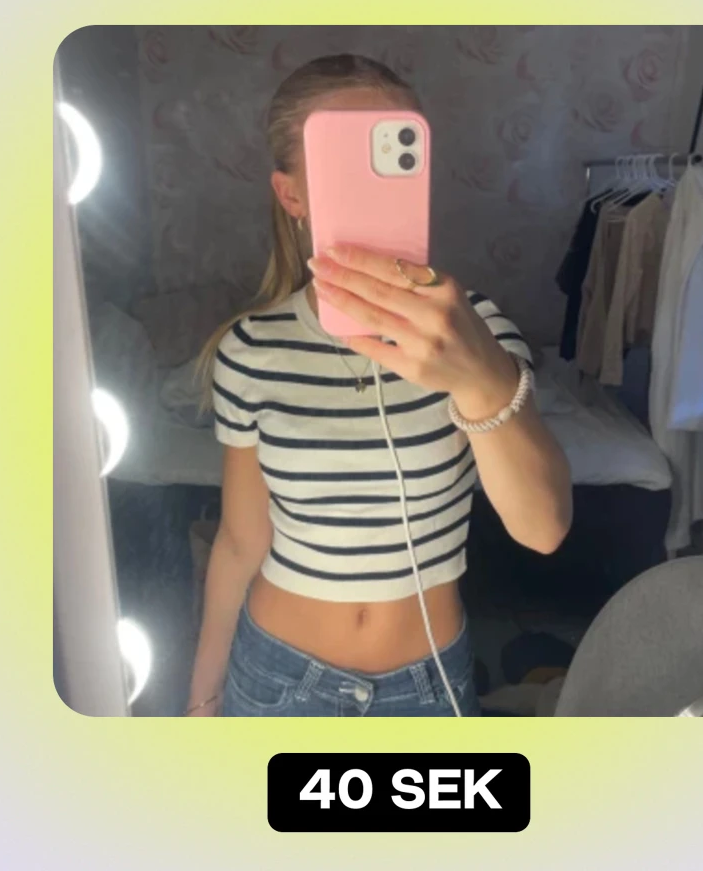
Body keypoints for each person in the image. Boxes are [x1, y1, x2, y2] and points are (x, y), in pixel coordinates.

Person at [185, 53, 573, 717]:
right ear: (292, 196)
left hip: (428, 684)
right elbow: (241, 540)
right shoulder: (250, 351)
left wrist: (479, 377)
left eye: (395, 156)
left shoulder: (476, 333)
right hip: (278, 678)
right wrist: (202, 696)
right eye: (345, 163)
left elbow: (543, 529)